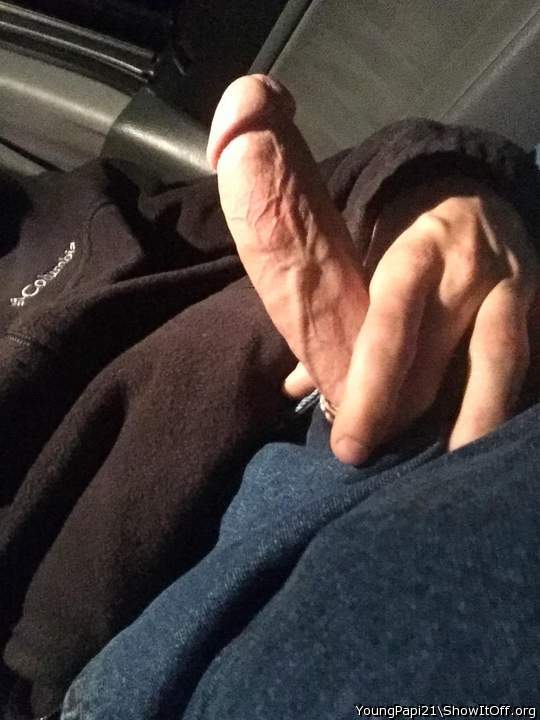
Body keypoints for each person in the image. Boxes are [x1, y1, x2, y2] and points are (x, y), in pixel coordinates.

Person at [1, 75, 539, 718]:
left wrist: (433, 192)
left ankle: (351, 356)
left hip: (384, 366)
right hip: (151, 630)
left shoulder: (63, 206)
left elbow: (347, 174)